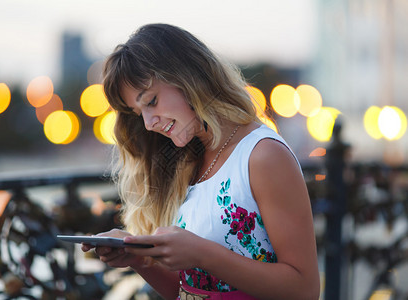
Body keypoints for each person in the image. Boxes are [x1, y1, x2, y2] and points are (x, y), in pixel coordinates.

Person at [82, 23, 320, 300]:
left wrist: (202, 253)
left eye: (152, 101)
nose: (148, 124)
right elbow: (190, 291)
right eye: (138, 112)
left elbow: (304, 290)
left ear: (189, 77)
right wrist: (138, 257)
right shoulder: (187, 162)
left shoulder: (263, 155)